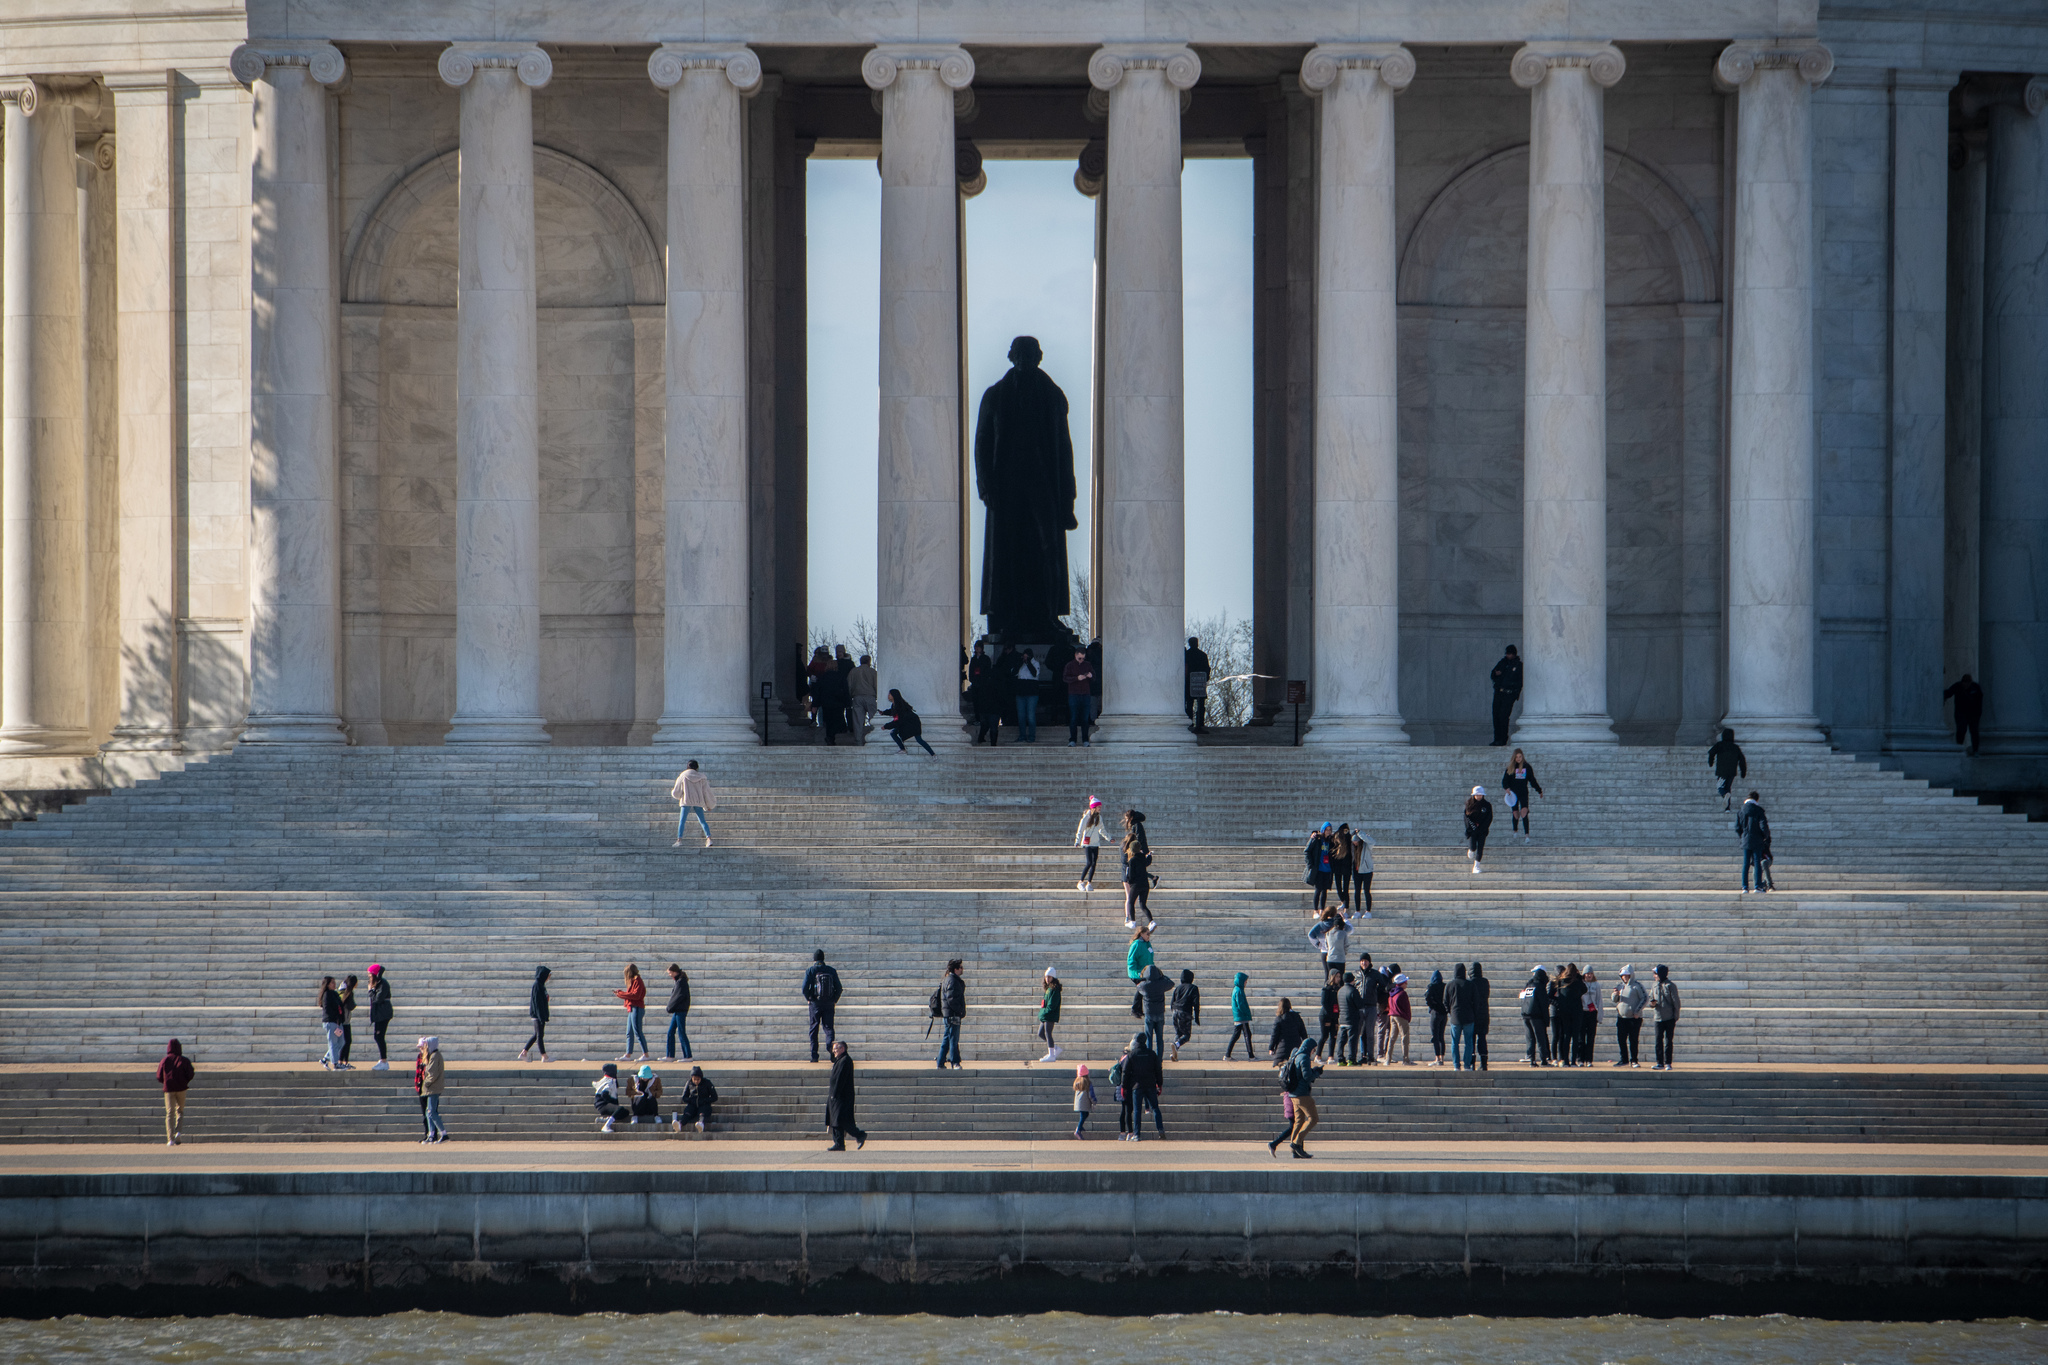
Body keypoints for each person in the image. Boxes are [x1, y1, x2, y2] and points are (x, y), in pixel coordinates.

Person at [1272, 1038, 1323, 1159]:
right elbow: (1307, 1077)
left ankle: (1295, 1150)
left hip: (1293, 1094)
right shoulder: (1304, 1057)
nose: (1313, 1052)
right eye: (1314, 1050)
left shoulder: (1296, 1056)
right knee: (1313, 1118)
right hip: (1302, 1094)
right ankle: (1296, 1143)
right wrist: (1317, 1072)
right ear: (1310, 1048)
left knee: (1299, 1121)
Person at [825, 1040, 867, 1150]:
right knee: (836, 1120)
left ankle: (858, 1135)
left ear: (842, 1049)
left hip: (841, 1096)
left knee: (841, 1120)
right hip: (837, 1096)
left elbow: (840, 1079)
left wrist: (835, 1093)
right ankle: (839, 1143)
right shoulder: (840, 1060)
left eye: (836, 1049)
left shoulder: (845, 1061)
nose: (834, 1051)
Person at [802, 950, 842, 1062]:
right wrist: (834, 1000)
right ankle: (832, 1053)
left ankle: (814, 1056)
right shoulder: (831, 970)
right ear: (823, 959)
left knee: (814, 1028)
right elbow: (839, 988)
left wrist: (809, 999)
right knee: (829, 1029)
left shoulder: (810, 970)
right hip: (829, 1003)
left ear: (814, 959)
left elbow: (804, 988)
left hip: (815, 1003)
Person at [1126, 1031, 1165, 1139]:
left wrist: (1124, 1086)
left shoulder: (1132, 1054)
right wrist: (1159, 1083)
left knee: (1137, 1110)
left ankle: (1137, 1134)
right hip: (1150, 1085)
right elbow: (1158, 1070)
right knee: (1155, 1108)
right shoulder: (1151, 1054)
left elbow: (1126, 1072)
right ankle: (1160, 1130)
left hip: (1137, 1086)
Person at [1501, 749, 1543, 843]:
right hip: (1513, 794)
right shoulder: (1510, 768)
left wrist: (1539, 790)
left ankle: (1526, 835)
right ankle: (1515, 831)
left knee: (1524, 812)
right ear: (1514, 758)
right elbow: (1504, 780)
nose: (1518, 759)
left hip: (1523, 792)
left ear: (1522, 757)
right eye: (1517, 757)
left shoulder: (1527, 767)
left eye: (1520, 757)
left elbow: (1532, 780)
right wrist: (1506, 788)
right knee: (1515, 813)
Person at [1121, 810, 1154, 929]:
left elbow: (1129, 872)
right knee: (1141, 903)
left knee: (1130, 900)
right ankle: (1150, 921)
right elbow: (1147, 862)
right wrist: (1149, 855)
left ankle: (1130, 919)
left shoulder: (1136, 826)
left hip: (1135, 881)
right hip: (1144, 882)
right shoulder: (1137, 825)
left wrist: (1140, 852)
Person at [157, 1038, 193, 1146]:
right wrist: (184, 1081)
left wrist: (165, 1082)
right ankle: (178, 1131)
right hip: (181, 1089)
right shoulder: (184, 1060)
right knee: (180, 1111)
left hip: (169, 1089)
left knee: (169, 1113)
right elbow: (190, 1074)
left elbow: (159, 1076)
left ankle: (170, 1138)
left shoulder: (165, 1060)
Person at [670, 759, 715, 848]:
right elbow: (706, 792)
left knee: (682, 821)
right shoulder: (702, 777)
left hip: (686, 800)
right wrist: (708, 805)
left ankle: (679, 840)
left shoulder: (683, 775)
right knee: (702, 821)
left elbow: (676, 791)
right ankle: (709, 839)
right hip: (698, 801)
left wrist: (679, 796)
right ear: (697, 767)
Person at [1612, 965, 1647, 1067]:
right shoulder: (1619, 986)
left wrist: (1637, 1011)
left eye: (1627, 975)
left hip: (1633, 1018)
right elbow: (1614, 1000)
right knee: (1621, 1039)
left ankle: (1634, 1060)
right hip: (1621, 1017)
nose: (1625, 977)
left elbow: (1644, 998)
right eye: (1623, 975)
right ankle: (1624, 1059)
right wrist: (1615, 994)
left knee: (1633, 1040)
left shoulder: (1637, 986)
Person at [881, 689, 935, 755]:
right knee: (893, 733)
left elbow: (897, 721)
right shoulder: (895, 705)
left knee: (919, 739)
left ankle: (933, 754)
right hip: (906, 723)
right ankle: (902, 749)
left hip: (913, 723)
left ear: (894, 695)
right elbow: (892, 711)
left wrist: (886, 726)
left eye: (890, 694)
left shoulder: (900, 706)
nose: (888, 695)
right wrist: (883, 712)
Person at [1737, 790, 1771, 893]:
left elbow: (1737, 827)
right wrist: (1765, 836)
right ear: (1756, 799)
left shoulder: (1741, 811)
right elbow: (1763, 825)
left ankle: (1745, 887)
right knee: (1757, 863)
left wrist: (1742, 836)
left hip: (1746, 839)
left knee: (1746, 863)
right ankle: (1757, 886)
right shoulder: (1759, 810)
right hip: (1757, 840)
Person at [968, 642, 1003, 745]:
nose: (977, 649)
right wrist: (973, 680)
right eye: (976, 647)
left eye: (978, 647)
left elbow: (986, 671)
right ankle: (977, 718)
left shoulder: (986, 659)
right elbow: (971, 671)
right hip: (976, 684)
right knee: (976, 702)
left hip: (983, 685)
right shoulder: (974, 659)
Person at [1354, 954, 1385, 1066]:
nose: (1363, 963)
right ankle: (1363, 1055)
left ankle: (1371, 1056)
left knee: (1370, 1032)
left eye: (1365, 961)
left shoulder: (1375, 974)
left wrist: (1375, 994)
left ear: (1369, 962)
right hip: (1360, 1007)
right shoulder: (1356, 974)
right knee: (1361, 1033)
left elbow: (1382, 986)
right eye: (1362, 961)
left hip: (1371, 1006)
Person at [415, 1036, 447, 1143]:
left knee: (432, 1112)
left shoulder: (435, 1056)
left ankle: (443, 1133)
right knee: (429, 1112)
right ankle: (431, 1134)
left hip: (433, 1088)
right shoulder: (432, 1055)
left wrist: (426, 1084)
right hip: (431, 1088)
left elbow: (432, 1074)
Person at [615, 963, 650, 1061]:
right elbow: (631, 994)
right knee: (629, 1032)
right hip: (632, 1008)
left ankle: (646, 1054)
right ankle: (628, 1054)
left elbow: (635, 995)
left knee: (637, 1031)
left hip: (637, 1008)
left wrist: (621, 994)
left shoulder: (638, 981)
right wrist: (621, 993)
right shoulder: (634, 981)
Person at [936, 959, 966, 1070]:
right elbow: (951, 998)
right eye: (961, 968)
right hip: (952, 1014)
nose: (962, 969)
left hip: (948, 1014)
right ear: (956, 969)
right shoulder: (953, 981)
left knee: (947, 1038)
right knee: (953, 1039)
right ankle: (955, 1062)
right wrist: (959, 1011)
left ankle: (940, 1062)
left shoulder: (947, 979)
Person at [1137, 963, 1173, 1058]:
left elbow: (1138, 987)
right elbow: (1171, 983)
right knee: (1159, 1038)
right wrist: (1162, 976)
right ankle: (1159, 1058)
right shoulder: (1161, 984)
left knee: (1149, 1037)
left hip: (1149, 1013)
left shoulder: (1144, 985)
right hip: (1160, 1012)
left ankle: (1149, 1058)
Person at [1707, 727, 1747, 811]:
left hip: (1721, 771)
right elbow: (1742, 760)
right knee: (1728, 788)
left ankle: (1725, 796)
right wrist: (1743, 772)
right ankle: (1727, 808)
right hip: (1732, 771)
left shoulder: (1719, 745)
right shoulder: (1735, 747)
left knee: (1720, 787)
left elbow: (1711, 752)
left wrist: (1711, 762)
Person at [814, 655, 851, 745]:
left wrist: (815, 704)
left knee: (828, 721)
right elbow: (846, 691)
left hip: (826, 703)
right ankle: (835, 737)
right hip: (838, 703)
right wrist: (848, 703)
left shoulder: (822, 677)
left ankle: (830, 737)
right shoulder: (841, 677)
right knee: (837, 720)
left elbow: (817, 692)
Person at [1490, 644, 1522, 746]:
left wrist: (1515, 694)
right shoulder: (1503, 662)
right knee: (1496, 715)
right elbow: (1493, 674)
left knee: (1503, 716)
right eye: (1507, 653)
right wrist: (1496, 674)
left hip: (1509, 694)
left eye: (1510, 654)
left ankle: (1503, 739)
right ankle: (1497, 738)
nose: (1508, 655)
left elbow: (1520, 681)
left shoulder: (1518, 665)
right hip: (1499, 693)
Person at [1446, 962, 1476, 1070]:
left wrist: (1450, 1012)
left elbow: (1445, 1001)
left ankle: (1456, 1065)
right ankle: (1467, 1065)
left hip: (1455, 1017)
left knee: (1455, 1042)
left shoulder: (1450, 985)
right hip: (1469, 1017)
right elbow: (1476, 1001)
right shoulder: (1470, 984)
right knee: (1468, 1042)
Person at [1945, 673, 1984, 755]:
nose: (1965, 685)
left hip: (1973, 714)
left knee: (1974, 731)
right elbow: (1949, 693)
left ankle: (1975, 750)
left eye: (1967, 683)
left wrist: (1978, 714)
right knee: (1961, 730)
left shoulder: (1975, 688)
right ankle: (1959, 747)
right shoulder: (1958, 686)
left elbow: (1980, 701)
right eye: (1964, 682)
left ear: (1970, 683)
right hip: (1961, 713)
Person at [1651, 964, 1682, 1070]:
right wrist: (1652, 1004)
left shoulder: (1670, 985)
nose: (1654, 976)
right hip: (1658, 1017)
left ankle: (1668, 1062)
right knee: (1658, 1041)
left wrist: (1675, 1016)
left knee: (1668, 1041)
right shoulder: (1654, 985)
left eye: (1656, 973)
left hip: (1669, 1017)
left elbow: (1676, 1002)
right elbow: (1651, 998)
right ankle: (1659, 1062)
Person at [1074, 796, 1107, 892]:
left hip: (1095, 843)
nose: (1100, 809)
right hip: (1087, 843)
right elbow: (1080, 830)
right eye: (1098, 807)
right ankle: (1081, 882)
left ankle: (1089, 883)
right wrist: (1077, 841)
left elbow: (1102, 830)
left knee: (1094, 864)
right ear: (1093, 807)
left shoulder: (1099, 818)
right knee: (1089, 863)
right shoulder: (1086, 818)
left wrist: (1109, 838)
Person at [1520, 964, 1552, 1066]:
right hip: (1536, 1016)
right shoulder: (1540, 987)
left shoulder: (1529, 986)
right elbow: (1543, 1004)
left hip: (1526, 1015)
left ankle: (1532, 1060)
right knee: (1540, 1038)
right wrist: (1546, 1019)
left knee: (1530, 1038)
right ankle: (1543, 1059)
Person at [1554, 964, 1585, 1067]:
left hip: (1564, 1012)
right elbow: (1585, 989)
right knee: (1575, 1037)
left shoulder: (1561, 981)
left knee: (1566, 1036)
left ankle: (1565, 1060)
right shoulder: (1577, 982)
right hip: (1576, 1011)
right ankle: (1573, 1061)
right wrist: (1579, 977)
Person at [519, 964, 551, 1063]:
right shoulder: (537, 985)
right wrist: (541, 1016)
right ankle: (544, 1056)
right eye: (548, 975)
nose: (549, 977)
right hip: (538, 1015)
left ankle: (524, 1053)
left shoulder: (541, 985)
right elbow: (537, 1002)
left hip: (540, 1014)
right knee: (539, 1035)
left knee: (537, 1035)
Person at [1168, 968, 1201, 1062]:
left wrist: (1173, 1011)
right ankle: (1176, 1045)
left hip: (1175, 1011)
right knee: (1186, 1035)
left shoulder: (1178, 988)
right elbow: (1196, 1003)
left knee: (1178, 1033)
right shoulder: (1193, 988)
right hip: (1185, 1012)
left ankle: (1173, 1053)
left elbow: (1172, 1001)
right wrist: (1197, 1017)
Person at [1012, 648, 1044, 742]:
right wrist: (1020, 662)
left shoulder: (1035, 663)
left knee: (1030, 716)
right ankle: (1022, 735)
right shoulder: (1020, 664)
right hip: (1021, 693)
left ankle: (1031, 736)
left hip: (1032, 693)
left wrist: (1028, 662)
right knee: (1021, 716)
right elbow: (1013, 672)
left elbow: (1034, 673)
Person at [1063, 648, 1095, 745]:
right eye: (1079, 658)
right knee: (1074, 718)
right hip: (1074, 694)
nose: (1081, 660)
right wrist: (1076, 678)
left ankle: (1085, 740)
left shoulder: (1088, 665)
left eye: (1083, 658)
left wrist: (1091, 676)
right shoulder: (1070, 665)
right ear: (1075, 656)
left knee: (1085, 719)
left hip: (1085, 694)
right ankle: (1073, 739)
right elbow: (1065, 678)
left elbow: (1095, 677)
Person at [673, 1065, 718, 1133]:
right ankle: (680, 1124)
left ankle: (701, 1124)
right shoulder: (689, 1083)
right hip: (693, 1104)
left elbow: (715, 1097)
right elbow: (684, 1097)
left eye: (698, 1079)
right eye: (694, 1079)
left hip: (704, 1104)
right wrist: (691, 1100)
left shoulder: (707, 1083)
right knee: (687, 1113)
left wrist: (705, 1100)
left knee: (703, 1113)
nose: (696, 1081)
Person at [1337, 971, 1367, 1066]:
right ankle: (1351, 1059)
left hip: (1342, 1019)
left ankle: (1340, 1058)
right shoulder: (1353, 991)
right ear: (1352, 980)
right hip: (1352, 1019)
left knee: (1341, 1040)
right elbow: (1359, 1005)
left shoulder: (1340, 991)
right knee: (1352, 1040)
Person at [662, 964, 692, 1061]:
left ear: (674, 971)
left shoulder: (681, 982)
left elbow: (677, 997)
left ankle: (688, 1056)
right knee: (671, 1032)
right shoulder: (679, 981)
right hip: (678, 1010)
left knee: (681, 1032)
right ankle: (670, 1056)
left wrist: (669, 1007)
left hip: (680, 1010)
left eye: (670, 972)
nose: (669, 975)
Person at [849, 653, 880, 744]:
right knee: (873, 719)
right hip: (870, 696)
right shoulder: (873, 672)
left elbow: (849, 685)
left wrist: (852, 695)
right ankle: (875, 739)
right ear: (869, 662)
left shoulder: (853, 671)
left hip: (857, 697)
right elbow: (876, 685)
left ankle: (858, 741)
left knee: (858, 721)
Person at [366, 964, 393, 1070]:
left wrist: (370, 991)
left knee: (379, 1036)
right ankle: (383, 1060)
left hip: (383, 1013)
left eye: (370, 975)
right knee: (378, 1036)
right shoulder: (378, 983)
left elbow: (378, 999)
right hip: (379, 1013)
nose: (369, 977)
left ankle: (384, 1061)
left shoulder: (383, 984)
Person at [1303, 824, 1334, 912]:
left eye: (1330, 829)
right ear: (1323, 830)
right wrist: (1310, 865)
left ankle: (1322, 910)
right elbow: (1307, 851)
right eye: (1326, 829)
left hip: (1327, 869)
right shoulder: (1316, 839)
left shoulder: (1331, 840)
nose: (1328, 831)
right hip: (1319, 868)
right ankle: (1315, 910)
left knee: (1325, 891)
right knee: (1318, 890)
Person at [1267, 997, 1307, 1064]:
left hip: (1283, 1048)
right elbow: (1303, 1032)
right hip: (1296, 1045)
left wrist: (1271, 1048)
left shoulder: (1279, 1019)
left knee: (1283, 1070)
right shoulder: (1297, 1017)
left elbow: (1274, 1035)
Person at [1225, 971, 1255, 1060]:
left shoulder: (1237, 989)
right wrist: (1247, 1013)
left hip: (1239, 1016)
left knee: (1237, 1035)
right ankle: (1251, 1056)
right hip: (1242, 1016)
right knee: (1247, 1035)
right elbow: (1241, 1004)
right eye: (1245, 981)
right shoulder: (1239, 990)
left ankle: (1227, 1055)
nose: (1246, 983)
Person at [1464, 786, 1494, 875]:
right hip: (1472, 830)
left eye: (1480, 795)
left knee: (1480, 848)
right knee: (1473, 847)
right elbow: (1466, 817)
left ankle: (1476, 866)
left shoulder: (1487, 805)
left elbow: (1489, 818)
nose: (1479, 796)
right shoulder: (1469, 803)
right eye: (1477, 795)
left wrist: (1482, 827)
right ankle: (1471, 850)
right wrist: (1472, 827)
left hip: (1482, 830)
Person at [1184, 636, 1211, 733]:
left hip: (1189, 683)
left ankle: (1190, 723)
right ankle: (1200, 723)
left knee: (1189, 704)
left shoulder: (1187, 655)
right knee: (1199, 704)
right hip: (1198, 683)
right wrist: (1205, 679)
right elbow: (1207, 669)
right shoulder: (1202, 655)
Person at [318, 976, 345, 1071]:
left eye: (334, 982)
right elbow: (329, 1009)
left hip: (338, 1022)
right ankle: (335, 1064)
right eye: (332, 982)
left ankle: (325, 1059)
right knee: (333, 1043)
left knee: (341, 1042)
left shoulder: (334, 994)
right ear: (327, 984)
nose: (334, 984)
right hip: (330, 1021)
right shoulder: (327, 995)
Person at [1314, 968, 1341, 1062]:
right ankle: (1318, 1056)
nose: (1338, 979)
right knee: (1324, 1036)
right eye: (1337, 977)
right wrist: (1330, 1014)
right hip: (1326, 1015)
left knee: (1334, 1036)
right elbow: (1324, 1003)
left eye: (1339, 977)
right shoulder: (1326, 988)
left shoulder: (1339, 989)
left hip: (1335, 1015)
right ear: (1332, 977)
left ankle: (1331, 1057)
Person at [1386, 973, 1413, 1064]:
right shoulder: (1402, 994)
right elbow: (1406, 1007)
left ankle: (1388, 1059)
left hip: (1392, 1016)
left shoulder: (1391, 993)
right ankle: (1405, 1059)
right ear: (1402, 983)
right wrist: (1408, 1017)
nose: (1407, 984)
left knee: (1392, 1038)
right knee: (1404, 1037)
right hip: (1401, 1016)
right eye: (1406, 982)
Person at [1037, 967, 1063, 1062]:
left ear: (1053, 978)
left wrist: (1045, 1013)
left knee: (1048, 1033)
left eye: (1049, 977)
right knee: (1040, 1033)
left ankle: (1051, 1055)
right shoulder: (1048, 989)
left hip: (1050, 1015)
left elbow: (1052, 1005)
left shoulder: (1054, 990)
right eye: (1046, 977)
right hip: (1046, 1015)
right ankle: (1055, 1048)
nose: (1047, 979)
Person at [593, 1063, 628, 1133]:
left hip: (600, 1105)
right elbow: (604, 1094)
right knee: (620, 1109)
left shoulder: (605, 1079)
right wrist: (612, 1101)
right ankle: (606, 1125)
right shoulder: (609, 1081)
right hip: (603, 1105)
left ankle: (606, 1118)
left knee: (625, 1112)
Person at [1424, 969, 1448, 1067]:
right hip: (1444, 1013)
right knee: (1441, 1036)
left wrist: (1432, 1005)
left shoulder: (1431, 986)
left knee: (1435, 1036)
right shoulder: (1445, 986)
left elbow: (1427, 997)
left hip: (1435, 1013)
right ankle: (1442, 1057)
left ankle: (1437, 1058)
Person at [1471, 961, 1491, 1070]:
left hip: (1473, 1014)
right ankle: (1484, 1063)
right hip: (1484, 1015)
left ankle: (1471, 1063)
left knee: (1472, 1039)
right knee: (1482, 1038)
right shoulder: (1485, 982)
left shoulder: (1471, 982)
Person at [1352, 828, 1376, 917]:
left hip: (1367, 871)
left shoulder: (1366, 846)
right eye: (1353, 842)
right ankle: (1357, 911)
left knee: (1366, 891)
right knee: (1357, 891)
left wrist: (1360, 833)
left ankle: (1368, 911)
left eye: (1356, 842)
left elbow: (1372, 842)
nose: (1355, 843)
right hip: (1356, 870)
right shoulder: (1353, 847)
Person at [337, 974, 358, 1069]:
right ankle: (341, 1062)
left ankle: (344, 1062)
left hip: (345, 1020)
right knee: (346, 1041)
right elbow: (351, 1006)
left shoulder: (342, 991)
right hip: (343, 1021)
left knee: (347, 1041)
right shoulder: (347, 993)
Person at [1071, 1063, 1096, 1138]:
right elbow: (1091, 1094)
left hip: (1078, 1102)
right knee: (1083, 1115)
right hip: (1085, 1102)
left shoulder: (1077, 1082)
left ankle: (1080, 1127)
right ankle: (1078, 1129)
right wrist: (1094, 1101)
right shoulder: (1088, 1083)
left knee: (1084, 1114)